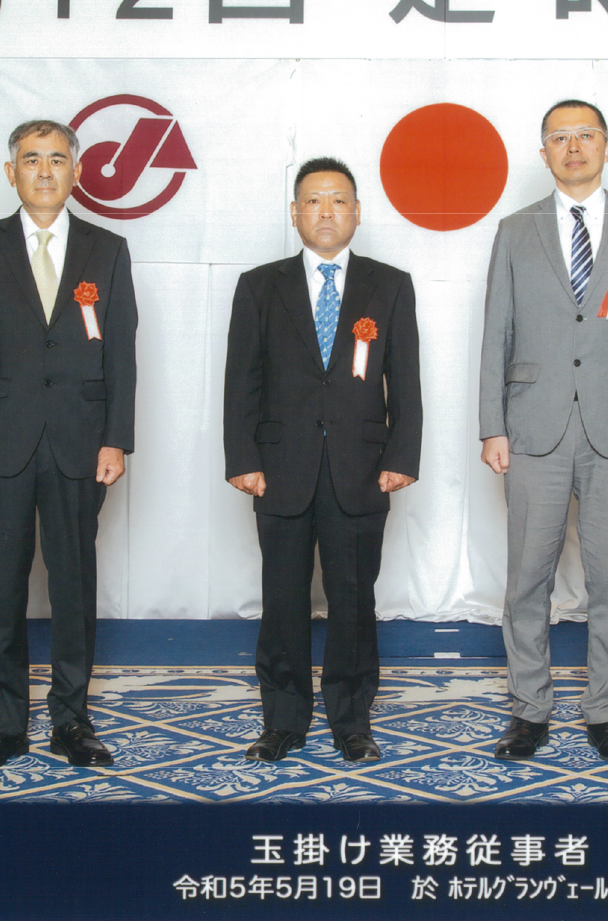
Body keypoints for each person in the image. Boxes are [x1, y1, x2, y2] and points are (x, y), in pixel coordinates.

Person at [479, 100, 608, 763]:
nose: (573, 147)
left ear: (606, 146)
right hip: (533, 426)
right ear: (543, 153)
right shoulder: (515, 230)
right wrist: (492, 425)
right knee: (526, 578)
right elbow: (496, 332)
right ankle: (529, 710)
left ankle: (606, 712)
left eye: (585, 135)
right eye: (559, 138)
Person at [0, 119, 138, 769]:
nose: (45, 171)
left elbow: (121, 354)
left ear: (76, 172)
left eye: (57, 159)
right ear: (11, 173)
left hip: (80, 444)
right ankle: (3, 726)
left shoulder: (107, 249)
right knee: (1, 587)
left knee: (74, 587)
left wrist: (116, 439)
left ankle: (71, 722)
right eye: (32, 159)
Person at [224, 157, 422, 763]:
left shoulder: (389, 285)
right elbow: (241, 381)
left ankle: (352, 721)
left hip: (361, 469)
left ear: (358, 212)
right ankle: (283, 720)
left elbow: (405, 381)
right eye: (313, 200)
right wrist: (242, 457)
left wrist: (402, 455)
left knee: (354, 601)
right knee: (282, 600)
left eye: (339, 200)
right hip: (280, 469)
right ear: (295, 213)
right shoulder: (260, 286)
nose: (326, 211)